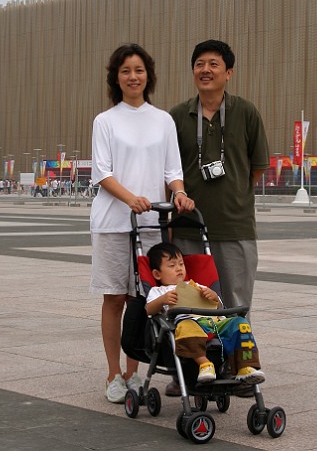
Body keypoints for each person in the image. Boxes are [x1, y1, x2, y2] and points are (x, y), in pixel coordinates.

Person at [89, 43, 195, 404]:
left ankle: (135, 372)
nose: (133, 77)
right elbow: (102, 172)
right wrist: (129, 197)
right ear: (115, 78)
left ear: (148, 75)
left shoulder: (162, 120)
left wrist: (178, 193)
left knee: (143, 299)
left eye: (138, 70)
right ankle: (113, 374)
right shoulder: (105, 121)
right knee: (115, 296)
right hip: (113, 222)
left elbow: (173, 171)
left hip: (152, 224)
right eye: (125, 71)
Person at [169, 39, 270, 311]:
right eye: (199, 64)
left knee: (236, 305)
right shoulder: (177, 116)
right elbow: (168, 170)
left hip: (235, 228)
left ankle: (237, 354)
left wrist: (236, 193)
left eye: (214, 64)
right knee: (191, 306)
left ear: (229, 73)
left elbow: (258, 165)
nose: (205, 70)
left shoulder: (246, 112)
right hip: (188, 228)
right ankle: (197, 356)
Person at [145, 242, 264, 385]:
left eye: (181, 264)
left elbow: (219, 306)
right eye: (172, 266)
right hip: (188, 324)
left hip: (213, 322)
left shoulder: (196, 285)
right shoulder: (159, 291)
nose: (179, 269)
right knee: (185, 326)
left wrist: (213, 296)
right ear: (157, 274)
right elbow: (149, 310)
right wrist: (162, 300)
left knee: (240, 324)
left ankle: (245, 367)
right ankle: (205, 364)